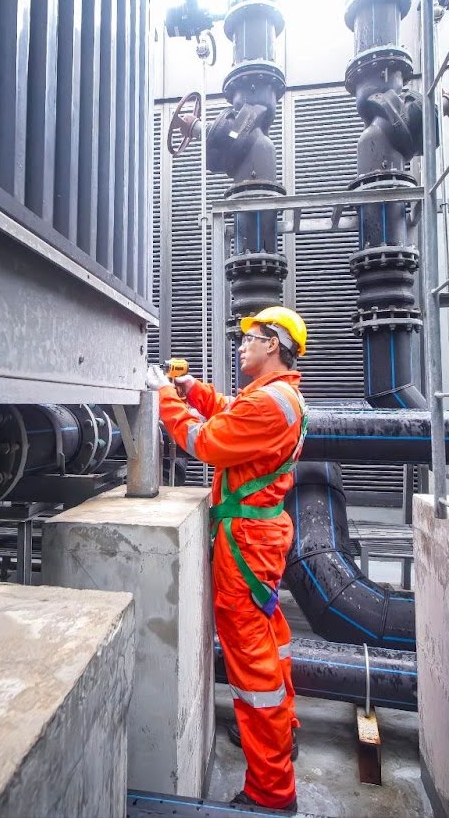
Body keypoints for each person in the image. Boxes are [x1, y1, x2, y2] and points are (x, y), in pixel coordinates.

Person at [145, 305, 308, 812]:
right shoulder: (274, 397)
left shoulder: (268, 404)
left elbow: (209, 441)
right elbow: (228, 411)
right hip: (260, 533)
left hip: (247, 540)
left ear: (273, 345)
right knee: (271, 635)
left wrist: (164, 401)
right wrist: (192, 388)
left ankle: (271, 792)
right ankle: (286, 732)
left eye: (250, 339)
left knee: (250, 659)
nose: (242, 346)